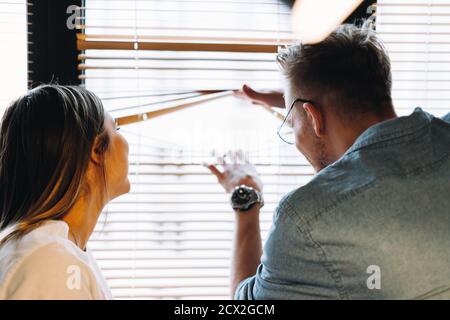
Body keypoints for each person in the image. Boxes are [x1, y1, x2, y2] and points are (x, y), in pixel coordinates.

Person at [207, 24, 450, 299]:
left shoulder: (307, 221)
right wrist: (298, 102)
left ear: (313, 117)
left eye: (291, 123)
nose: (294, 133)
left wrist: (246, 199)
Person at [0, 85, 130, 299]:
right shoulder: (52, 262)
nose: (126, 143)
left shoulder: (55, 252)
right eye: (116, 129)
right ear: (97, 150)